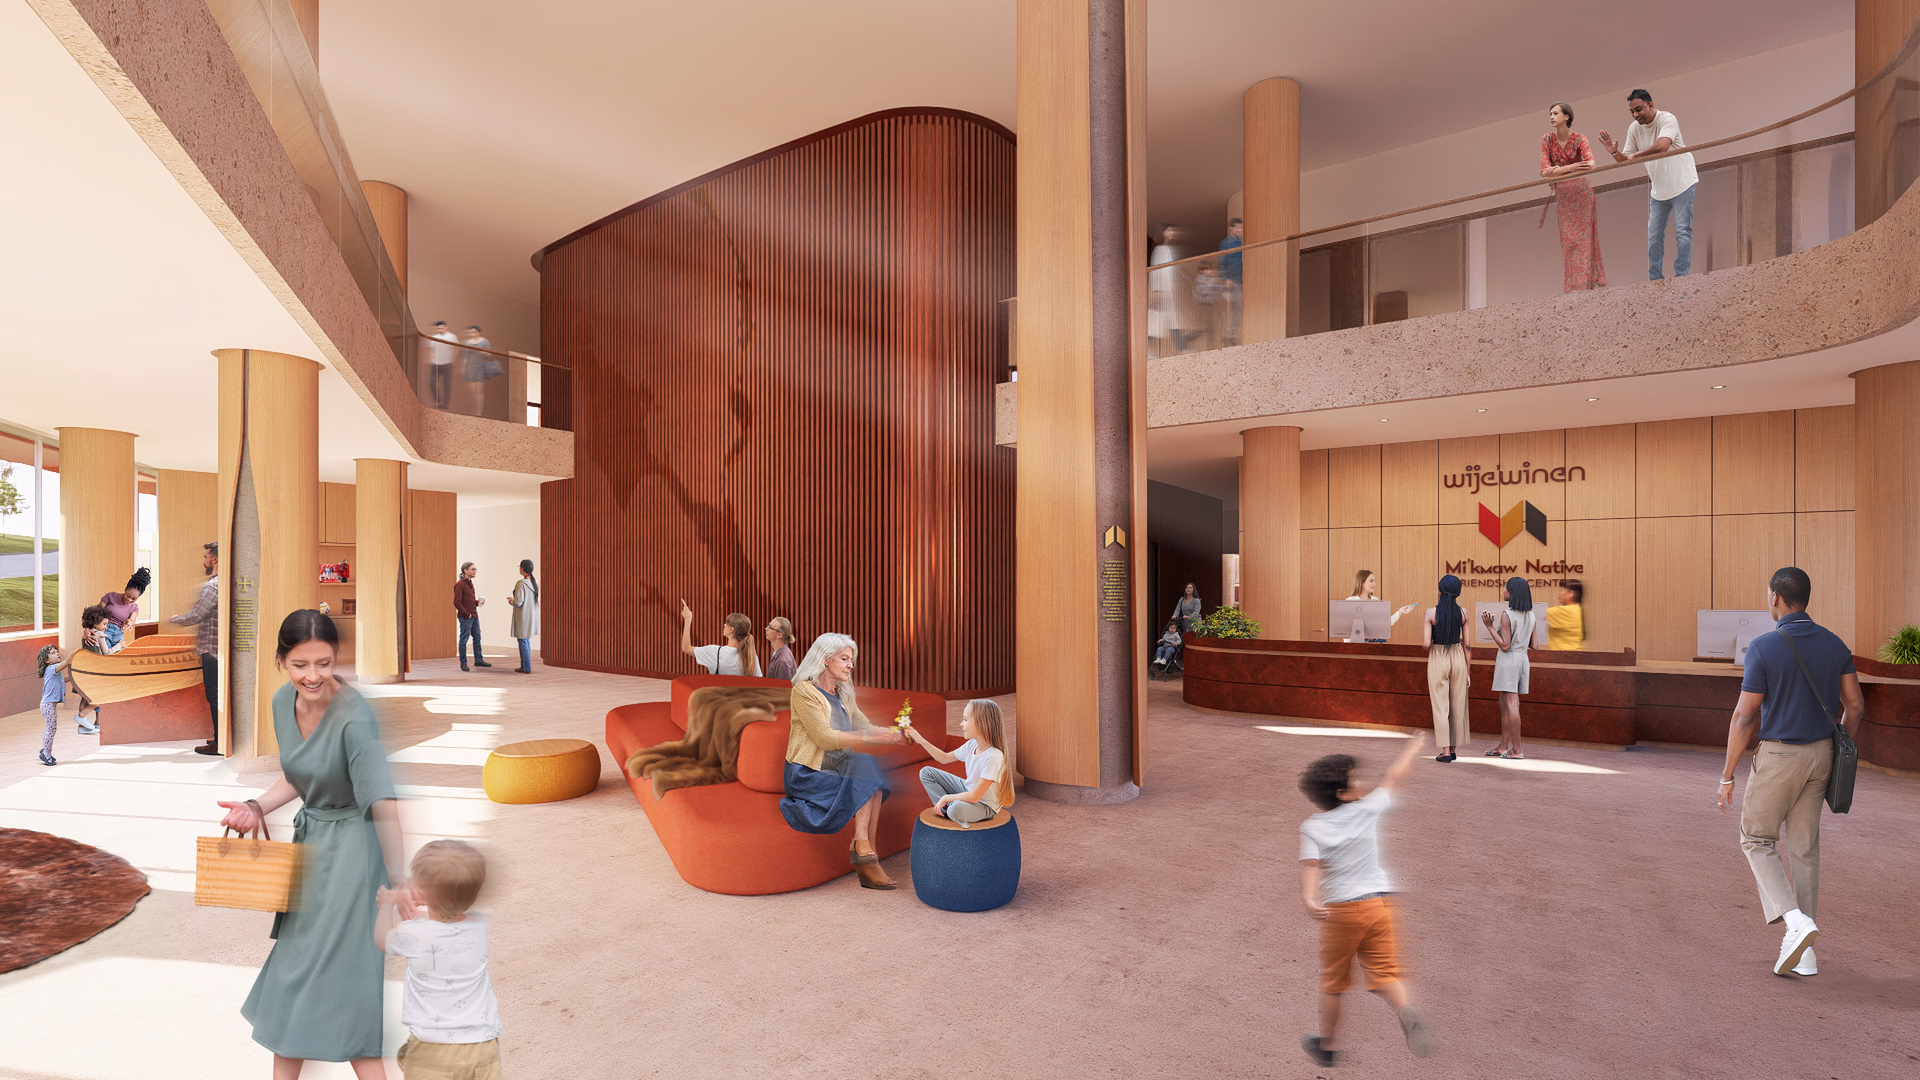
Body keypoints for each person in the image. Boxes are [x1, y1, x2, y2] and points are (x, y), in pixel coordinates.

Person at [214, 609, 411, 1077]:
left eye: (324, 663)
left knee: (345, 982)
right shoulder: (283, 702)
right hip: (312, 846)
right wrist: (257, 806)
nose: (314, 675)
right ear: (282, 661)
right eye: (301, 664)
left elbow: (383, 804)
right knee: (293, 974)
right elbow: (299, 775)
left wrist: (398, 881)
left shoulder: (354, 718)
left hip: (355, 855)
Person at [1716, 567, 1864, 978]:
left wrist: (1727, 775)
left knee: (1756, 838)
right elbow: (1855, 706)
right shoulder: (1834, 644)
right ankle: (1806, 953)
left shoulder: (1764, 647)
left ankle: (1794, 921)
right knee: (1804, 849)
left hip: (1780, 757)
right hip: (1821, 757)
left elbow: (1745, 718)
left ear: (1776, 598)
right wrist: (1839, 742)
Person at [1296, 734, 1432, 1067]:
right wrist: (1412, 748)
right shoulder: (1368, 808)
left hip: (1340, 913)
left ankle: (1325, 1047)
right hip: (1378, 906)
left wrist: (1309, 899)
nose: (1362, 782)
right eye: (1355, 779)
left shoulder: (1313, 826)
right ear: (1343, 794)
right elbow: (1394, 776)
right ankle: (1405, 1010)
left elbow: (1310, 866)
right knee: (1386, 974)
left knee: (1333, 983)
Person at [778, 633, 907, 890]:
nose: (851, 665)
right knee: (869, 777)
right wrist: (869, 735)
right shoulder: (803, 692)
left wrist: (891, 734)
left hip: (838, 767)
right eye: (845, 658)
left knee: (866, 766)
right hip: (807, 774)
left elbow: (864, 727)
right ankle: (867, 860)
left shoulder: (845, 693)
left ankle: (863, 846)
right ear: (826, 659)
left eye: (852, 660)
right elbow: (824, 738)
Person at [376, 840, 503, 1079]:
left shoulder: (412, 933)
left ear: (423, 895)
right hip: (483, 1045)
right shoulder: (480, 924)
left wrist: (386, 904)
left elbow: (382, 940)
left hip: (432, 1050)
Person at [1598, 89, 1699, 280]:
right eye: (1632, 112)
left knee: (1682, 231)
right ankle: (1655, 280)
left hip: (1683, 183)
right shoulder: (1634, 129)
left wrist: (1637, 154)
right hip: (1659, 190)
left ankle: (1682, 277)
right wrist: (1614, 152)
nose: (1636, 115)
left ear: (1650, 105)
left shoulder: (1667, 119)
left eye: (1639, 109)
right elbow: (1626, 160)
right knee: (1654, 237)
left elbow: (1662, 146)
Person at [905, 698, 1012, 825]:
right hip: (967, 790)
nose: (961, 724)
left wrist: (946, 797)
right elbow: (944, 758)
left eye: (965, 720)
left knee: (956, 810)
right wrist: (920, 739)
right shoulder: (972, 744)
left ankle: (952, 809)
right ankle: (950, 809)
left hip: (984, 806)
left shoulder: (994, 757)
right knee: (926, 773)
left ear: (980, 723)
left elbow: (975, 797)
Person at [1539, 103, 1605, 292]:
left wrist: (1558, 171)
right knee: (1568, 241)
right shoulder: (1547, 140)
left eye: (1555, 113)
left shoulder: (1579, 139)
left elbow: (1591, 165)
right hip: (1564, 195)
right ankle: (1572, 286)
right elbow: (1544, 172)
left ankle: (1585, 285)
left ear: (1566, 116)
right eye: (1550, 114)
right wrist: (1572, 167)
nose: (1551, 117)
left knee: (1584, 241)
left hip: (1582, 192)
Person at [168, 542, 221, 755]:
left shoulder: (212, 586)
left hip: (212, 648)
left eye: (207, 556)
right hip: (220, 648)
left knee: (214, 696)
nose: (204, 560)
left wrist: (175, 619)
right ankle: (221, 736)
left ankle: (220, 743)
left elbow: (197, 615)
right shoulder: (224, 584)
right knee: (218, 695)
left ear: (214, 559)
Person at [1481, 577, 1534, 758]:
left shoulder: (1507, 614)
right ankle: (1503, 746)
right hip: (1523, 659)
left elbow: (1504, 645)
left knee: (1511, 704)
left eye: (1506, 589)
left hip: (1508, 659)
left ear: (1512, 593)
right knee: (1503, 702)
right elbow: (1535, 644)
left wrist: (1489, 627)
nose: (1504, 591)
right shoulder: (1531, 615)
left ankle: (1517, 750)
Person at [1422, 575, 1470, 762]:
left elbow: (1426, 644)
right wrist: (1468, 671)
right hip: (1459, 657)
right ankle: (1454, 748)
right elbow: (1467, 645)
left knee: (1441, 705)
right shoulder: (1463, 613)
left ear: (1440, 590)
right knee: (1457, 704)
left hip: (1438, 655)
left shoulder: (1430, 613)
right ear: (1458, 592)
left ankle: (1446, 751)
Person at [1148, 225, 1195, 356]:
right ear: (1162, 232)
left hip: (1167, 292)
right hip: (1161, 291)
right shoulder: (1159, 250)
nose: (1172, 232)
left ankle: (1182, 348)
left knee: (1169, 321)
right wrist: (1156, 291)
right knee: (1156, 323)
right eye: (1169, 230)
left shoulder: (1167, 249)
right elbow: (1156, 271)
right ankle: (1181, 348)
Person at [678, 603, 760, 677]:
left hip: (720, 693)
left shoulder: (715, 652)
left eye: (726, 623)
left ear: (731, 629)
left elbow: (686, 648)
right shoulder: (752, 657)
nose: (724, 625)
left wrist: (688, 620)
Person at [36, 644, 79, 766]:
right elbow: (66, 662)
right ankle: (46, 753)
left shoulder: (54, 671)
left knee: (50, 728)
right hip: (48, 705)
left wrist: (73, 676)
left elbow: (63, 679)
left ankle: (45, 749)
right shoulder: (51, 669)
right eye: (54, 653)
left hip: (49, 705)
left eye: (57, 651)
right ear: (47, 660)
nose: (57, 653)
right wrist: (72, 655)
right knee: (51, 728)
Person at [1346, 570, 1418, 641]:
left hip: (1375, 643)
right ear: (1361, 582)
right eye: (1371, 581)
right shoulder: (1349, 601)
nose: (1374, 584)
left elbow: (1384, 623)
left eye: (1374, 581)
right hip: (1356, 644)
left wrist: (1399, 612)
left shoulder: (1376, 600)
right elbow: (1346, 628)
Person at [100, 566, 150, 652]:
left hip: (118, 635)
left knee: (121, 659)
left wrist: (129, 622)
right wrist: (88, 630)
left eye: (134, 599)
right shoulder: (110, 596)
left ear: (138, 597)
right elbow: (94, 614)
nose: (129, 600)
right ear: (125, 589)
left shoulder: (134, 608)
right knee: (106, 658)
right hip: (105, 630)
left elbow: (132, 620)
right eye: (128, 595)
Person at [455, 562, 489, 671]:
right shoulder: (460, 584)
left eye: (475, 569)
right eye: (473, 569)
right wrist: (466, 614)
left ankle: (478, 660)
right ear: (465, 570)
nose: (475, 571)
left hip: (474, 616)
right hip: (466, 617)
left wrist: (476, 603)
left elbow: (467, 600)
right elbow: (456, 602)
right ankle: (463, 663)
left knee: (477, 638)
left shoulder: (470, 583)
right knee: (464, 640)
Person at [507, 559, 539, 674]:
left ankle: (526, 667)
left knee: (522, 641)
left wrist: (511, 601)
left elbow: (518, 602)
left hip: (523, 616)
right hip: (531, 615)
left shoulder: (521, 583)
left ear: (523, 569)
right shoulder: (535, 581)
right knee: (525, 641)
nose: (519, 568)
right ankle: (525, 666)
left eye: (520, 566)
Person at [1217, 217, 1244, 345]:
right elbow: (1222, 261)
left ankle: (1229, 336)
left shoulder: (1241, 243)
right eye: (1237, 227)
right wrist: (1225, 279)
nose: (1240, 230)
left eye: (1241, 227)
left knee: (1238, 309)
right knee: (1235, 309)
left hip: (1240, 281)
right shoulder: (1226, 243)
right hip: (1231, 281)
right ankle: (1228, 336)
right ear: (1231, 228)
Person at [426, 321, 458, 411]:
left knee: (447, 386)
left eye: (442, 328)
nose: (440, 330)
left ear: (446, 327)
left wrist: (453, 361)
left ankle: (446, 407)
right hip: (436, 364)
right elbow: (432, 349)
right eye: (439, 328)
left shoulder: (452, 337)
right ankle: (438, 401)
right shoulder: (435, 337)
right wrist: (431, 359)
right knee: (432, 382)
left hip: (447, 364)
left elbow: (455, 349)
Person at [1547, 579, 1585, 650]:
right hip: (1573, 654)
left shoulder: (1566, 611)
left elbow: (1537, 613)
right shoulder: (1578, 609)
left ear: (1570, 593)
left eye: (1562, 590)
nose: (1559, 593)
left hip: (1564, 656)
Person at [764, 616, 798, 681]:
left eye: (770, 627)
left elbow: (782, 689)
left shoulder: (782, 661)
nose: (766, 628)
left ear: (779, 635)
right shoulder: (776, 652)